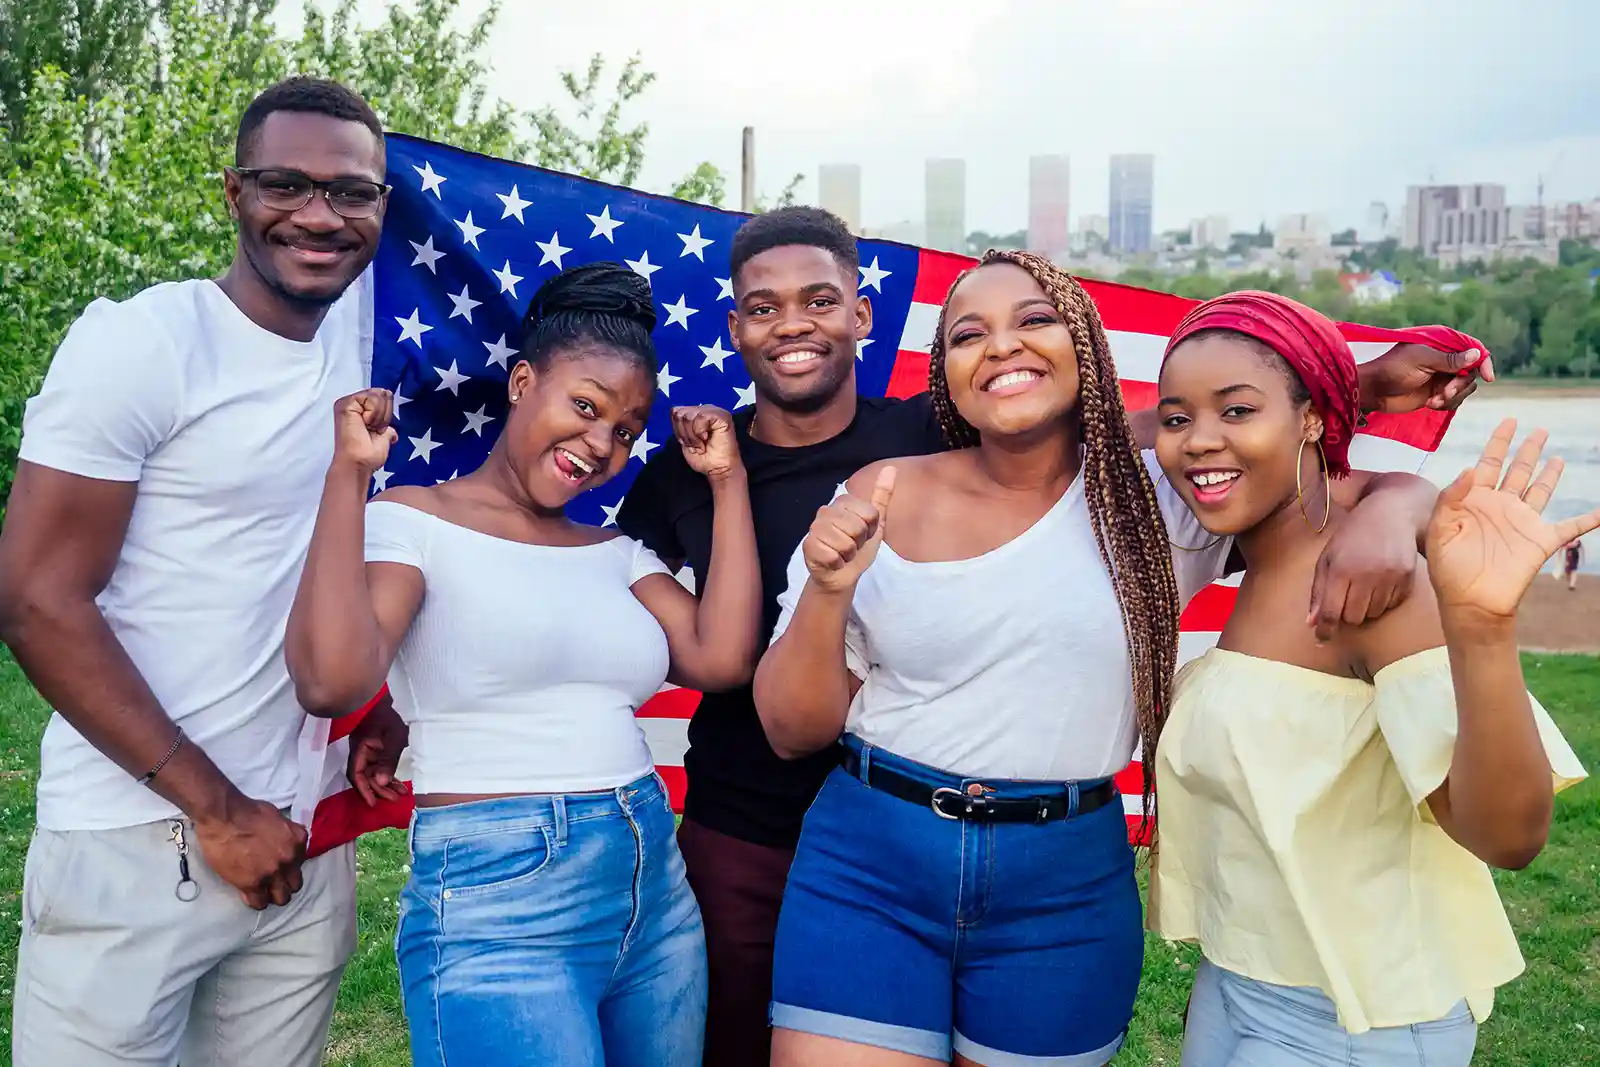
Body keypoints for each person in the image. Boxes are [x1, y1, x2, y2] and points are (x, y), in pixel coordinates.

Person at [610, 207, 1493, 1067]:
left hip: (1063, 882)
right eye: (967, 334)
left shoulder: (1159, 494)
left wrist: (1394, 502)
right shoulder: (882, 487)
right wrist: (827, 591)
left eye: (1034, 319)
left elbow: (1283, 464)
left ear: (1086, 345)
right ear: (944, 371)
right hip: (869, 859)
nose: (1001, 346)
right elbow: (794, 726)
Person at [284, 261, 762, 1067]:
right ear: (522, 380)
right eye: (585, 406)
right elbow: (333, 680)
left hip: (652, 882)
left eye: (624, 430)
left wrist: (728, 478)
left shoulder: (614, 551)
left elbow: (721, 655)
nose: (600, 443)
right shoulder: (414, 520)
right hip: (500, 893)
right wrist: (349, 474)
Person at [0, 77, 385, 1067]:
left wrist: (376, 709)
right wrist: (216, 809)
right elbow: (38, 600)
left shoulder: (360, 343)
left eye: (351, 192)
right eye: (284, 184)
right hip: (144, 834)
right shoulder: (145, 343)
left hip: (304, 837)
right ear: (232, 193)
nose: (317, 214)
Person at [1145, 292, 1590, 1067]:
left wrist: (1483, 627)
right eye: (1177, 418)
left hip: (1358, 1018)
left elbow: (1508, 834)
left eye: (1237, 410)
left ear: (1312, 418)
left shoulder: (1372, 581)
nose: (1198, 442)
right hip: (1242, 984)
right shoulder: (1266, 548)